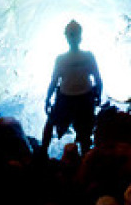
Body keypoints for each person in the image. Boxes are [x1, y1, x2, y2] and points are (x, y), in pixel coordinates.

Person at [41, 19, 102, 153]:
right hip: (76, 98)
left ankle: (43, 151)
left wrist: (48, 98)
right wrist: (98, 95)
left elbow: (54, 81)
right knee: (83, 134)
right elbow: (98, 79)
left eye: (73, 34)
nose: (73, 37)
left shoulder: (70, 58)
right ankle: (43, 151)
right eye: (71, 34)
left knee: (83, 134)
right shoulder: (79, 57)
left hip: (77, 98)